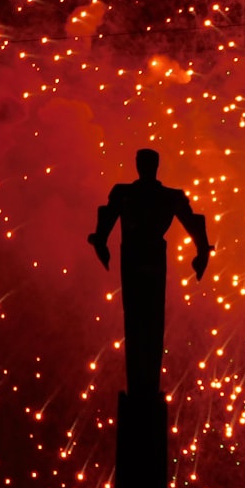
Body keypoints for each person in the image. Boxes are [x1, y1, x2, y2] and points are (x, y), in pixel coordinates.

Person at [88, 148, 212, 396]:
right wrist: (201, 253)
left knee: (139, 320)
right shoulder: (166, 196)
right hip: (150, 257)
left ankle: (142, 387)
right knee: (147, 321)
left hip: (136, 257)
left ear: (140, 165)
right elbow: (195, 225)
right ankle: (144, 386)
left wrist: (100, 242)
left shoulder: (127, 194)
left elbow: (104, 226)